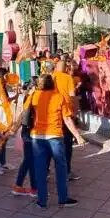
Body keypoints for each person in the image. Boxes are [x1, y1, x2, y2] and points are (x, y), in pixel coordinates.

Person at [23, 74, 83, 209]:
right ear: (53, 84)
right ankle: (63, 198)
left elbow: (25, 110)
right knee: (60, 168)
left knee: (40, 170)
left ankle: (42, 201)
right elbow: (67, 119)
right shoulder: (59, 97)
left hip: (37, 137)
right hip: (55, 136)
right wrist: (77, 136)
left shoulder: (34, 95)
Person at [52, 59, 81, 181]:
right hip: (66, 113)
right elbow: (72, 96)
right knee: (67, 143)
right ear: (65, 67)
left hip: (53, 115)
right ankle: (67, 171)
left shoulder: (51, 77)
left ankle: (48, 170)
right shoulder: (68, 78)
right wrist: (76, 111)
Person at [11, 83, 38, 197]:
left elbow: (22, 116)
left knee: (28, 160)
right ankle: (34, 188)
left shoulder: (27, 97)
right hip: (31, 133)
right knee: (30, 161)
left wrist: (14, 129)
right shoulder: (33, 97)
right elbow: (25, 116)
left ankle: (19, 186)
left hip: (26, 133)